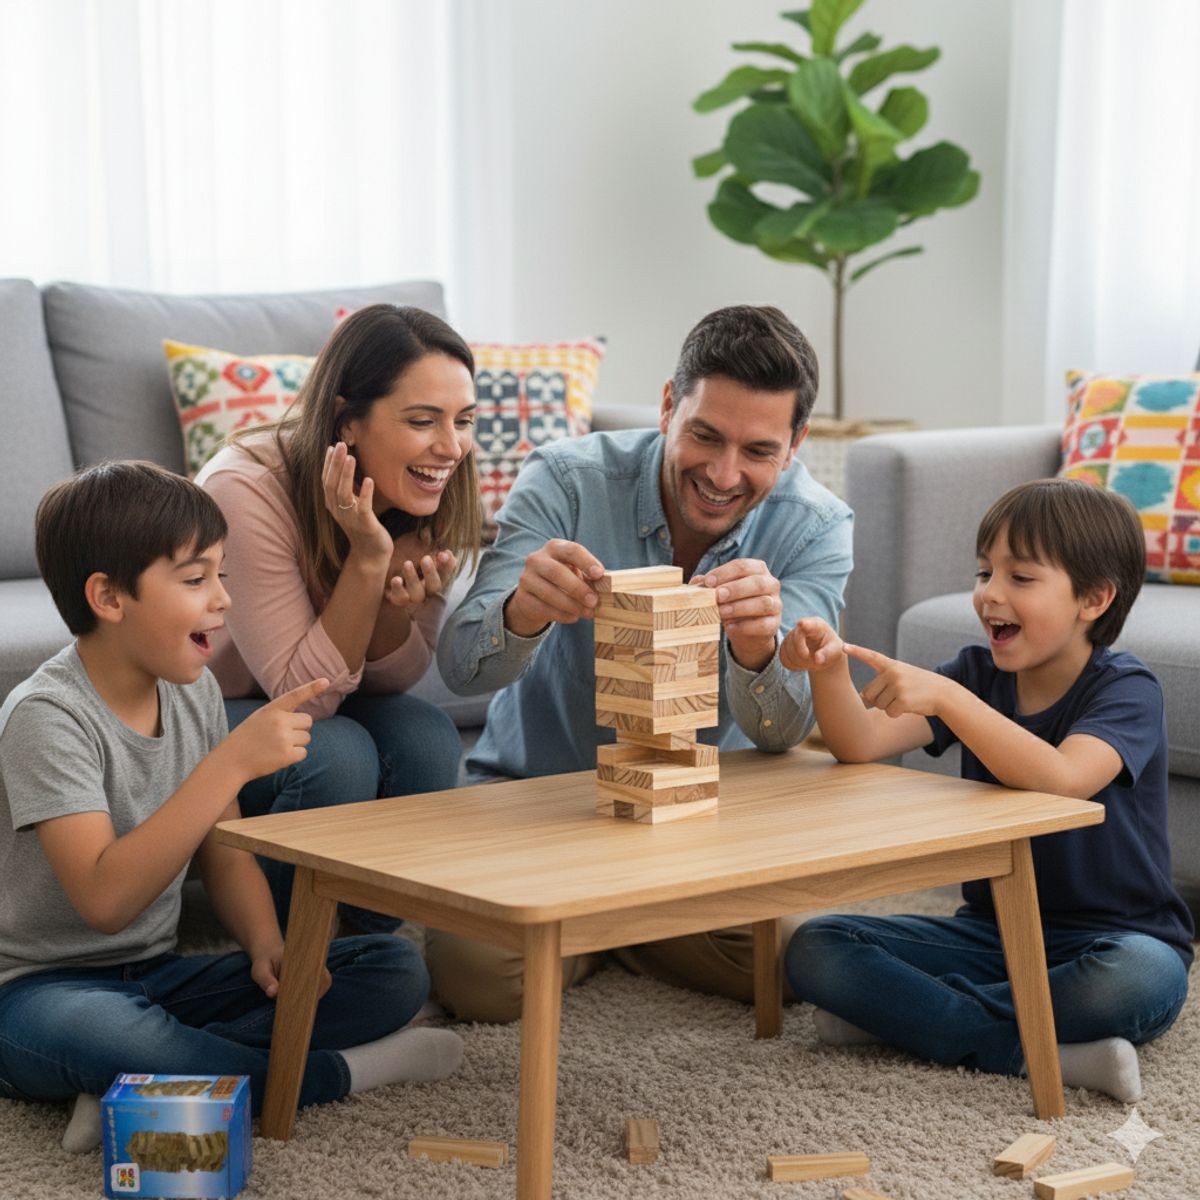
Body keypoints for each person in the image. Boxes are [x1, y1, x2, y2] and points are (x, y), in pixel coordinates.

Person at [0, 463, 462, 1154]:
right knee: (109, 1034)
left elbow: (225, 846)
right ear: (107, 597)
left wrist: (269, 944)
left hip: (160, 974)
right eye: (195, 580)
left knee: (392, 972)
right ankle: (340, 1074)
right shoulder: (47, 717)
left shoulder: (192, 693)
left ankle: (131, 1082)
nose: (223, 599)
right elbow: (104, 899)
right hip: (40, 990)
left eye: (221, 573)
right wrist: (231, 763)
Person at [432, 304, 854, 1021]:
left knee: (810, 955)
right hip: (547, 804)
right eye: (704, 436)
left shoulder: (816, 527)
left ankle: (605, 929)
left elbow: (786, 733)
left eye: (758, 452)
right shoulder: (565, 480)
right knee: (474, 976)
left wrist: (756, 652)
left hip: (699, 826)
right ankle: (630, 926)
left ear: (796, 444)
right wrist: (521, 611)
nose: (723, 475)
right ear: (668, 405)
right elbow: (460, 670)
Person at [779, 477, 1194, 1102]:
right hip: (992, 934)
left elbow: (1063, 782)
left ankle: (912, 1021)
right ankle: (1031, 1048)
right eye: (983, 574)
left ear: (1095, 598)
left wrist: (949, 698)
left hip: (1116, 940)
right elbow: (858, 744)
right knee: (817, 946)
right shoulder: (976, 674)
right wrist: (829, 669)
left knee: (1137, 981)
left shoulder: (1128, 690)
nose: (989, 595)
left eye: (1020, 578)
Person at [197, 304, 481, 935]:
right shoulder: (243, 490)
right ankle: (283, 940)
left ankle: (360, 938)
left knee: (427, 736)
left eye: (463, 421)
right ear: (347, 421)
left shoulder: (433, 490)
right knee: (337, 754)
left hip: (318, 695)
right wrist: (370, 559)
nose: (451, 447)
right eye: (422, 421)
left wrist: (388, 611)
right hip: (224, 706)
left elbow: (395, 679)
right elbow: (304, 701)